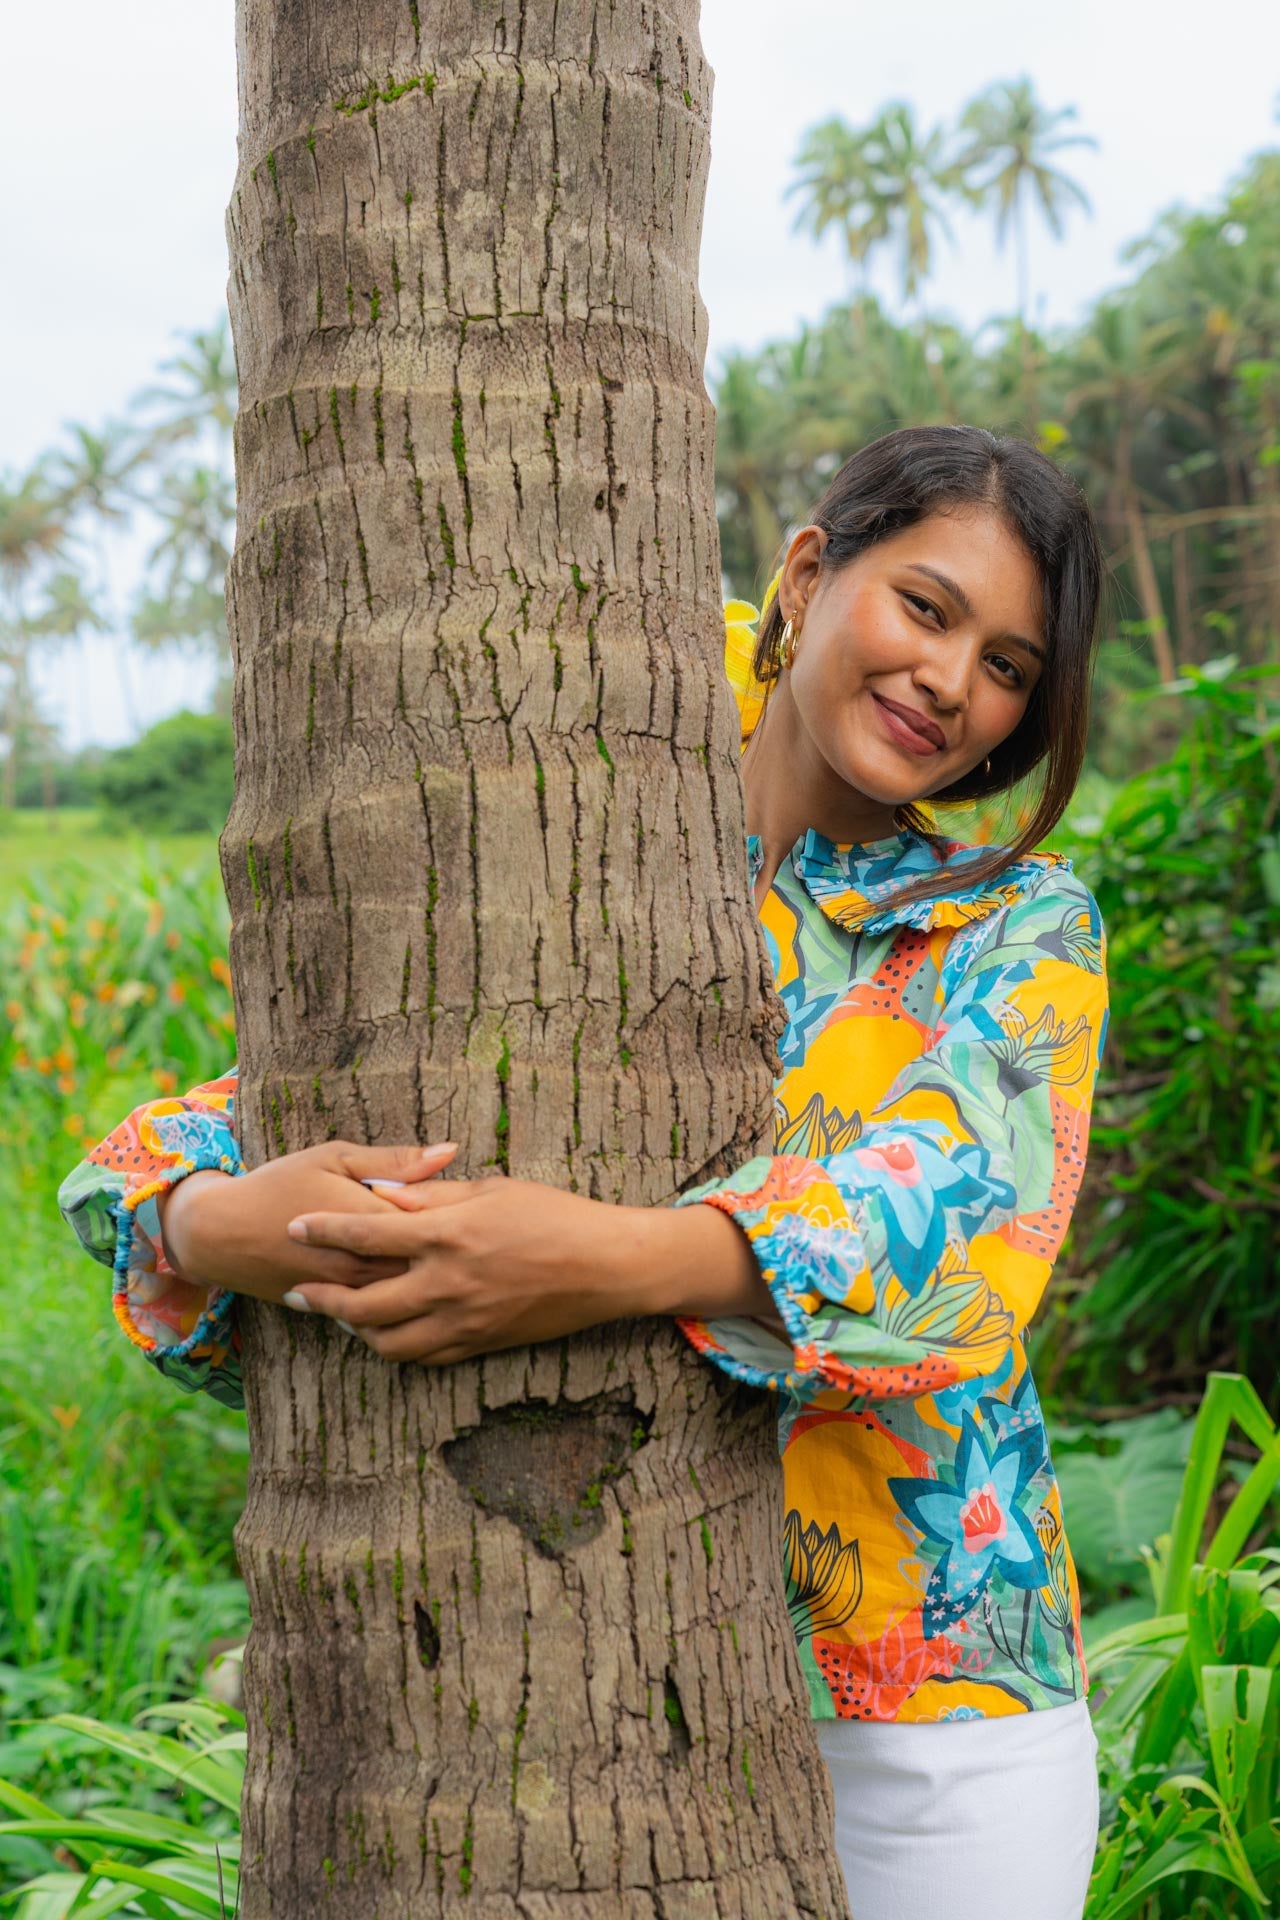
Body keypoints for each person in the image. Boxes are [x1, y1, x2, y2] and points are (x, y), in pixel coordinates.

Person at [59, 423, 1109, 1920]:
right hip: (579, 1682)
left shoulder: (1012, 926)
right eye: (927, 609)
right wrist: (205, 1218)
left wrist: (590, 1261)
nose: (952, 681)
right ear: (810, 571)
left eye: (1009, 664)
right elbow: (195, 1147)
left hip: (927, 1713)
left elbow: (955, 1232)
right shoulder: (569, 836)